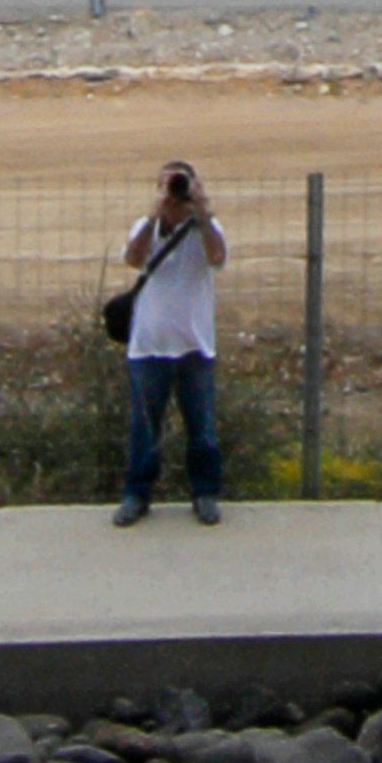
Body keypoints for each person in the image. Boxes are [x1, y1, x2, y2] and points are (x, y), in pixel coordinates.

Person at [113, 161, 227, 527]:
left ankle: (205, 494)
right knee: (143, 430)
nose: (174, 192)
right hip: (149, 347)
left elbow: (217, 257)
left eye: (179, 184)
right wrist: (155, 215)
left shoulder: (205, 229)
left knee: (203, 430)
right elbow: (133, 258)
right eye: (166, 185)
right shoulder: (145, 229)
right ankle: (136, 495)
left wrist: (203, 213)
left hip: (195, 346)